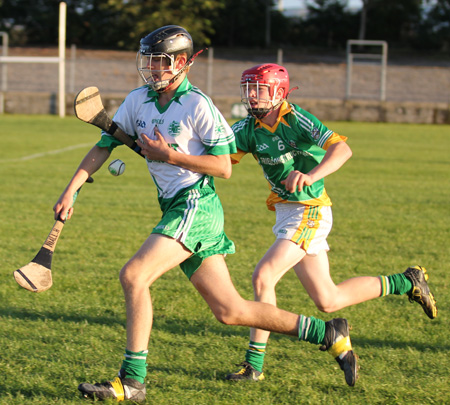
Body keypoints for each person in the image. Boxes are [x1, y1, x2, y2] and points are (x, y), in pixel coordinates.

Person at [54, 27, 358, 403]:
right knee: (231, 311)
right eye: (147, 59)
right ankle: (327, 333)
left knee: (134, 276)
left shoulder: (198, 105)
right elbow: (104, 146)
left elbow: (223, 167)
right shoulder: (137, 101)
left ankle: (131, 382)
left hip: (195, 203)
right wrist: (71, 190)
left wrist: (172, 157)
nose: (150, 67)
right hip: (174, 205)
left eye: (159, 60)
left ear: (181, 63)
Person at [226, 63, 438, 382]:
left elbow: (342, 149)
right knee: (329, 300)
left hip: (310, 209)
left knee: (263, 276)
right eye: (249, 90)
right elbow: (216, 159)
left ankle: (253, 366)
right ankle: (408, 281)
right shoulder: (247, 129)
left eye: (259, 89)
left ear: (279, 92)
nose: (252, 97)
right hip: (287, 213)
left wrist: (310, 175)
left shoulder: (294, 118)